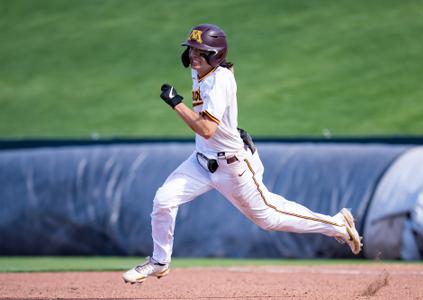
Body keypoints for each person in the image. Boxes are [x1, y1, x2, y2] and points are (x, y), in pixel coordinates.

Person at [122, 24, 362, 284]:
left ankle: (336, 225)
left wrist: (176, 103)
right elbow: (223, 86)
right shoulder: (205, 70)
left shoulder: (218, 79)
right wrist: (232, 127)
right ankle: (160, 261)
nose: (193, 55)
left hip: (230, 165)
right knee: (163, 200)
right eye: (191, 49)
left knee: (269, 216)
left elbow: (206, 128)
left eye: (200, 51)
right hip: (201, 162)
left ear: (215, 55)